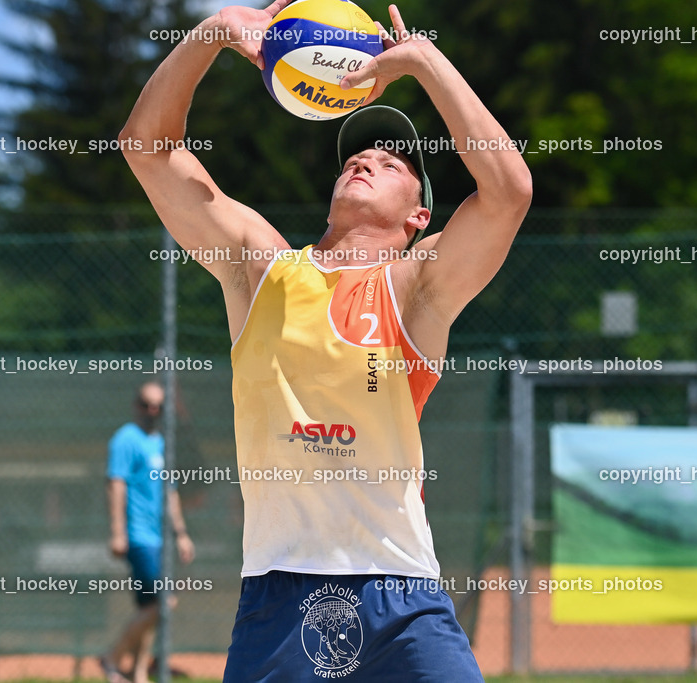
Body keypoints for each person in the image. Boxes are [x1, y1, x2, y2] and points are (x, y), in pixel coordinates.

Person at [119, 1, 531, 679]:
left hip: (402, 596)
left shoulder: (416, 286)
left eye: (394, 162)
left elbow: (509, 190)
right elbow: (146, 148)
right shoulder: (260, 268)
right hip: (280, 589)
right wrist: (215, 32)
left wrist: (423, 61)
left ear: (419, 215)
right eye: (358, 153)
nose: (368, 156)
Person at [102, 381, 195, 683]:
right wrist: (118, 532)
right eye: (146, 404)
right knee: (164, 602)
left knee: (148, 607)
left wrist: (181, 533)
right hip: (138, 536)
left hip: (160, 539)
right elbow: (116, 484)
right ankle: (112, 658)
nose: (152, 410)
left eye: (158, 405)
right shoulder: (125, 440)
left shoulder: (161, 444)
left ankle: (139, 674)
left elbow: (171, 493)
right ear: (136, 405)